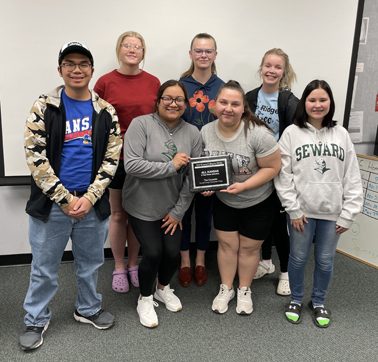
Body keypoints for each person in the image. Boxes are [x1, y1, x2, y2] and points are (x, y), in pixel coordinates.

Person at [19, 41, 122, 351]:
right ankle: (36, 319)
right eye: (69, 64)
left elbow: (111, 158)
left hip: (91, 204)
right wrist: (64, 199)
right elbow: (35, 158)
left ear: (91, 70)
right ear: (60, 69)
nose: (76, 69)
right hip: (52, 206)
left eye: (83, 64)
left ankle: (88, 309)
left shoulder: (106, 111)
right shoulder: (44, 106)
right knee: (44, 267)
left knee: (90, 264)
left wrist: (89, 198)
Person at [274, 79, 363, 328]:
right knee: (298, 258)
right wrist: (293, 209)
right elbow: (283, 175)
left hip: (332, 213)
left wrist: (348, 213)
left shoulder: (341, 134)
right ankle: (296, 298)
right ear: (305, 102)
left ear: (330, 103)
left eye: (323, 100)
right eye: (312, 99)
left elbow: (352, 176)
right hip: (301, 212)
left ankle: (319, 301)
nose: (317, 104)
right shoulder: (292, 133)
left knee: (325, 260)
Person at [122, 80, 202, 328]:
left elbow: (193, 177)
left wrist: (178, 212)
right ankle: (145, 298)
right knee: (153, 252)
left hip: (172, 208)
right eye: (167, 98)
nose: (173, 103)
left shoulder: (193, 133)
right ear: (157, 101)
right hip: (141, 204)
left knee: (171, 253)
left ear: (186, 105)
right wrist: (171, 166)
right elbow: (132, 165)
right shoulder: (141, 124)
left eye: (179, 100)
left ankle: (162, 288)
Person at [201, 80, 281, 315]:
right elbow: (206, 167)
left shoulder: (258, 134)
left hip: (257, 201)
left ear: (243, 108)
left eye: (235, 104)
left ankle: (244, 289)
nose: (228, 108)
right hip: (225, 201)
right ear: (215, 105)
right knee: (226, 245)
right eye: (223, 102)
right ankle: (226, 288)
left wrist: (244, 185)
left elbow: (273, 168)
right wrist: (206, 186)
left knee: (248, 248)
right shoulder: (206, 131)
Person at [94, 31, 160, 293]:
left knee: (138, 215)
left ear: (143, 52)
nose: (132, 49)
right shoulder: (104, 82)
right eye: (127, 45)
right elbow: (96, 123)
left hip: (144, 160)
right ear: (119, 50)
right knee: (119, 214)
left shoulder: (154, 82)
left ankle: (134, 264)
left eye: (138, 46)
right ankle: (119, 266)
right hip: (116, 160)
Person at [246, 48, 298, 296]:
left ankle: (285, 272)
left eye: (277, 67)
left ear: (283, 72)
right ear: (261, 67)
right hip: (256, 169)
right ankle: (265, 262)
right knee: (261, 217)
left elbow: (296, 136)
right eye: (268, 65)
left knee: (278, 223)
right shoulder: (250, 98)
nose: (272, 70)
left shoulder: (289, 101)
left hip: (279, 170)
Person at [179, 33, 224, 287]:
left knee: (206, 213)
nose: (203, 55)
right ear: (191, 54)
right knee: (184, 211)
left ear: (215, 55)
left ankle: (200, 259)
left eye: (208, 51)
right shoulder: (180, 85)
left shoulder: (223, 86)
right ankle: (184, 260)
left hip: (212, 162)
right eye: (198, 50)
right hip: (184, 159)